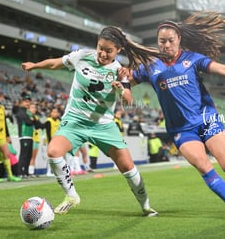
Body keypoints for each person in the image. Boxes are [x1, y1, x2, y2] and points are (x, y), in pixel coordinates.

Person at [119, 11, 225, 221]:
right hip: (181, 129)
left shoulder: (193, 59)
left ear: (179, 39)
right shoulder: (150, 66)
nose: (166, 45)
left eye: (170, 41)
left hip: (207, 119)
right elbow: (128, 83)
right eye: (162, 41)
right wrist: (123, 82)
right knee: (203, 166)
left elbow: (222, 69)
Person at [22, 26, 162, 217]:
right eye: (100, 48)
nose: (103, 53)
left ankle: (145, 205)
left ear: (118, 50)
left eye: (108, 50)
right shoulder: (82, 56)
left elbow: (128, 101)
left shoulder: (120, 71)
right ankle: (71, 196)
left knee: (128, 168)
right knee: (53, 152)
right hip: (75, 121)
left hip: (103, 125)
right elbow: (56, 63)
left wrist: (121, 88)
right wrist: (35, 65)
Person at [0, 90, 21, 182]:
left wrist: (7, 135)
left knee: (7, 154)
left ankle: (10, 175)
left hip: (2, 136)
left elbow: (4, 122)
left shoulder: (1, 108)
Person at [16, 94, 42, 178]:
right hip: (24, 135)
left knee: (29, 155)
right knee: (23, 154)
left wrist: (32, 120)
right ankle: (20, 172)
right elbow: (28, 122)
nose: (27, 103)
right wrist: (32, 120)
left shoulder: (28, 112)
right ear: (22, 102)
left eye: (28, 101)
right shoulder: (20, 111)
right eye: (25, 101)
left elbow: (37, 124)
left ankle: (26, 172)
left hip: (30, 135)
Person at [43, 107, 61, 176]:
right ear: (50, 113)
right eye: (53, 112)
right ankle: (48, 171)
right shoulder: (48, 121)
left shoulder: (58, 121)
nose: (55, 113)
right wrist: (50, 142)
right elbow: (48, 133)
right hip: (50, 142)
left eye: (56, 112)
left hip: (57, 141)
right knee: (50, 157)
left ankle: (55, 171)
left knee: (57, 157)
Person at [29, 102, 43, 178]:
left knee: (34, 156)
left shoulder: (36, 117)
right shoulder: (29, 117)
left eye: (35, 107)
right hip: (32, 138)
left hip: (37, 138)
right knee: (31, 156)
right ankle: (29, 171)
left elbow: (40, 126)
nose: (34, 109)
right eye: (32, 107)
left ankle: (31, 170)